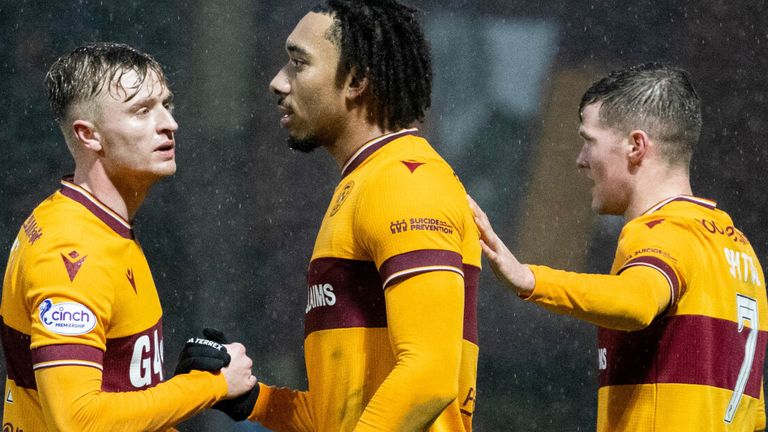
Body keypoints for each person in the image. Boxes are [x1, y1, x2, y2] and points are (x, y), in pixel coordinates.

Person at [178, 1, 480, 430]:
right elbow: (343, 415)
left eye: (298, 63)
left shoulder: (405, 182)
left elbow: (429, 377)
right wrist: (253, 400)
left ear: (356, 80)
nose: (277, 82)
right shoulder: (366, 183)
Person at [470, 63, 767, 431]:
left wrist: (530, 280)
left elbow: (636, 302)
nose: (580, 160)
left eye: (589, 140)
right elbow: (754, 416)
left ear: (636, 146)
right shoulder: (739, 251)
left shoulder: (661, 232)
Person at [0, 42, 257, 431]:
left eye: (165, 105)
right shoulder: (70, 250)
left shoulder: (103, 225)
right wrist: (209, 386)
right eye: (142, 111)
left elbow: (115, 395)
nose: (169, 123)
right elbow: (78, 422)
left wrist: (181, 388)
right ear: (89, 135)